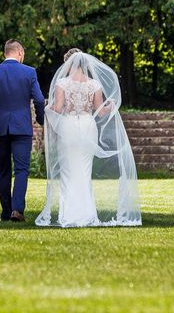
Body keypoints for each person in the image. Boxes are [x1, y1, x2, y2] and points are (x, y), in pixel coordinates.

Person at [35, 48, 141, 227]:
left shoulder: (62, 83)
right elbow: (100, 113)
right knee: (84, 171)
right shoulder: (95, 85)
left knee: (68, 170)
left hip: (68, 127)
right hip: (87, 126)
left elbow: (58, 109)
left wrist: (46, 108)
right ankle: (86, 214)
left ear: (69, 64)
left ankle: (68, 215)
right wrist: (111, 106)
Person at [0, 39, 45, 222]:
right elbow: (39, 100)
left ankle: (6, 212)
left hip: (1, 128)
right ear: (19, 53)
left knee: (3, 170)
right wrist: (40, 119)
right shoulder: (29, 72)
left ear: (6, 53)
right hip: (22, 128)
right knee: (21, 170)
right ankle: (17, 210)